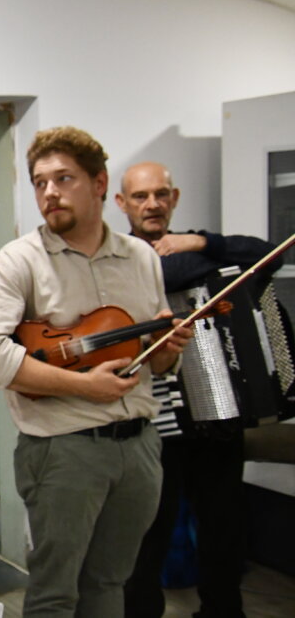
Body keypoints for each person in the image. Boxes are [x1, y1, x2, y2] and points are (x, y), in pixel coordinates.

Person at [0, 127, 193, 617]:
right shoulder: (20, 259)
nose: (49, 192)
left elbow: (154, 361)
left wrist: (168, 350)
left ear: (99, 183)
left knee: (110, 583)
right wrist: (83, 386)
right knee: (55, 594)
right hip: (63, 450)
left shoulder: (141, 257)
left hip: (140, 447)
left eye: (63, 178)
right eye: (39, 182)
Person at [117, 161, 278, 618]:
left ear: (175, 198)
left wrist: (203, 242)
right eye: (141, 196)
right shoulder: (115, 257)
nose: (152, 204)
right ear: (122, 203)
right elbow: (160, 276)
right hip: (154, 422)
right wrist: (192, 258)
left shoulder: (196, 247)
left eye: (161, 194)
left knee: (224, 528)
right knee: (149, 535)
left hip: (217, 414)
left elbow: (270, 256)